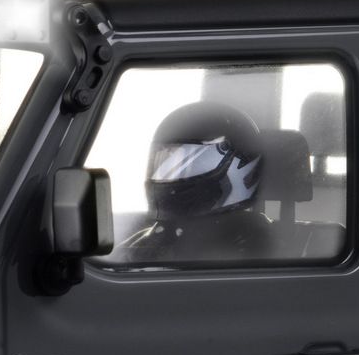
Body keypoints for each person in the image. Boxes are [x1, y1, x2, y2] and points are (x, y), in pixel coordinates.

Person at [116, 102, 273, 264]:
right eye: (163, 161)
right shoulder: (152, 239)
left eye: (180, 162)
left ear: (234, 165)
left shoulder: (253, 245)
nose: (165, 174)